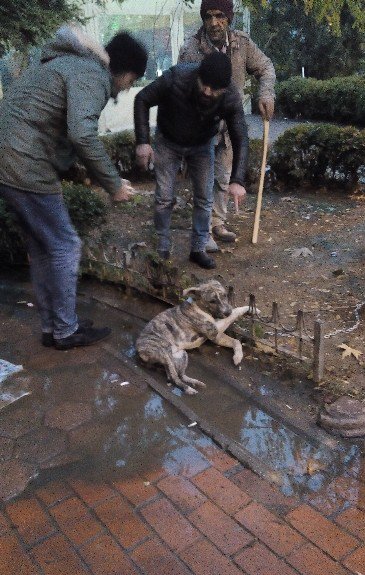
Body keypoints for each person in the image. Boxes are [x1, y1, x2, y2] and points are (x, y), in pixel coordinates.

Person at [0, 25, 147, 350]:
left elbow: (59, 134)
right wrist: (113, 185)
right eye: (132, 81)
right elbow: (81, 134)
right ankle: (66, 331)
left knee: (42, 247)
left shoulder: (66, 65)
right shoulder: (91, 75)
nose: (127, 88)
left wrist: (86, 176)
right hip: (25, 163)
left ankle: (54, 327)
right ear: (126, 73)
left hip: (9, 161)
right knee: (66, 246)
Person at [134, 51, 248, 270]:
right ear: (197, 75)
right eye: (203, 84)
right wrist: (143, 141)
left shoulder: (231, 97)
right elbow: (142, 99)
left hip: (203, 145)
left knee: (205, 198)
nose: (206, 91)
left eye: (214, 90)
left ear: (223, 89)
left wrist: (238, 180)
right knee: (164, 198)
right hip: (168, 140)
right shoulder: (176, 77)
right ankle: (162, 247)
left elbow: (240, 135)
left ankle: (198, 249)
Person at [179, 0, 276, 251]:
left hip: (230, 122)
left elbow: (266, 68)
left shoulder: (242, 44)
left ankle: (218, 223)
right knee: (203, 178)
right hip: (201, 123)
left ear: (229, 18)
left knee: (223, 175)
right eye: (208, 16)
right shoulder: (190, 48)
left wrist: (266, 94)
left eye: (220, 16)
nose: (214, 22)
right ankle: (203, 230)